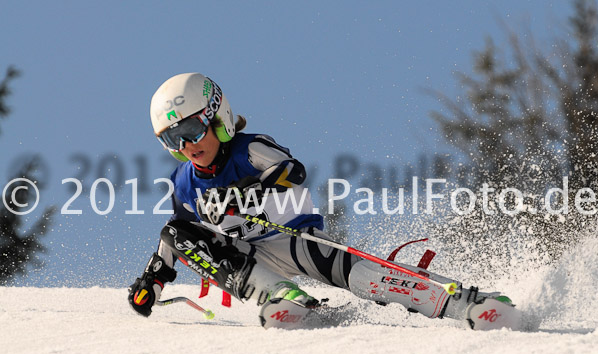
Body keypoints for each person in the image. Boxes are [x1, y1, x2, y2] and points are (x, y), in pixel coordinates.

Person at [128, 73, 510, 327]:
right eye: (172, 139)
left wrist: (241, 194)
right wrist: (153, 279)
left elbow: (292, 172)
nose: (187, 146)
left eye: (191, 130)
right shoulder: (183, 183)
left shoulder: (249, 150)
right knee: (176, 228)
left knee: (363, 276)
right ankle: (281, 297)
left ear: (216, 117)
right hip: (249, 258)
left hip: (294, 239)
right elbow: (176, 236)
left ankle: (469, 303)